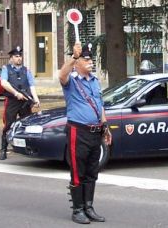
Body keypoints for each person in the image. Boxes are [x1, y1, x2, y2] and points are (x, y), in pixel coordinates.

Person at [59, 42, 112, 224]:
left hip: (95, 132)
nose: (91, 62)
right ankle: (78, 210)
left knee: (92, 171)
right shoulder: (71, 81)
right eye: (86, 59)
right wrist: (73, 57)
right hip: (78, 132)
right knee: (78, 172)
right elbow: (61, 74)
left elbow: (99, 105)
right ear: (78, 62)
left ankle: (89, 207)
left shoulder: (95, 81)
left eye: (91, 59)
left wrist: (105, 126)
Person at [0, 46, 40, 160]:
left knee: (27, 124)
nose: (19, 58)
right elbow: (3, 83)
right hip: (12, 101)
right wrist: (16, 93)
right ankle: (3, 149)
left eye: (20, 56)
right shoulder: (6, 69)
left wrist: (36, 99)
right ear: (11, 58)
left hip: (25, 102)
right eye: (16, 56)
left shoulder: (26, 70)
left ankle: (27, 149)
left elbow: (32, 86)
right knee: (8, 124)